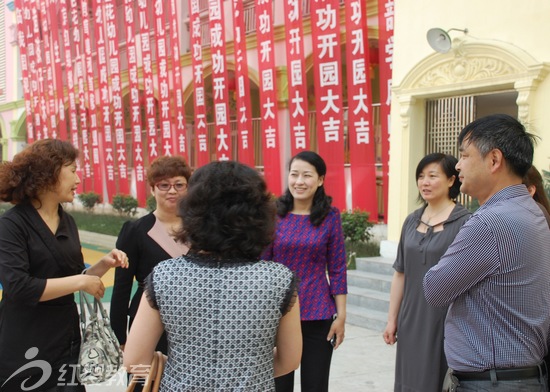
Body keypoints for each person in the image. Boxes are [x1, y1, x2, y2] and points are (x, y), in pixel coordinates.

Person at [123, 161, 302, 391]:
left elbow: (134, 361)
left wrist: (180, 371)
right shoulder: (280, 280)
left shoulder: (164, 276)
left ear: (192, 212)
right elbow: (290, 360)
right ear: (259, 216)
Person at [423, 114, 550, 391]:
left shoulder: (489, 223)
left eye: (464, 155)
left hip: (492, 381)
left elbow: (434, 289)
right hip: (522, 376)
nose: (457, 166)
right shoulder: (533, 211)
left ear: (494, 160)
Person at [0, 139, 128, 391]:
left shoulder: (67, 221)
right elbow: (19, 287)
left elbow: (70, 276)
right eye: (72, 170)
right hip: (25, 340)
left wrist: (101, 266)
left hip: (66, 338)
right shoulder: (12, 224)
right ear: (48, 173)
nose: (78, 179)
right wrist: (82, 281)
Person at [383, 153, 471, 391]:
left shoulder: (466, 222)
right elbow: (400, 272)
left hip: (444, 319)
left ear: (452, 180)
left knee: (435, 379)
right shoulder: (411, 221)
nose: (425, 182)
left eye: (433, 176)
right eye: (421, 176)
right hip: (410, 317)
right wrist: (393, 319)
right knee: (408, 379)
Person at [262, 150, 347, 392]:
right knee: (278, 385)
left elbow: (338, 267)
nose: (299, 181)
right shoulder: (274, 214)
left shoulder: (330, 217)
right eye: (294, 174)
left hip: (318, 313)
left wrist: (341, 316)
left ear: (320, 180)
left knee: (315, 385)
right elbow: (263, 264)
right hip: (276, 312)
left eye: (307, 175)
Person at [110, 155, 191, 357]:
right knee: (144, 384)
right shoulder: (135, 230)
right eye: (164, 185)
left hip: (192, 320)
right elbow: (122, 285)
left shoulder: (200, 229)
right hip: (147, 319)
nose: (172, 191)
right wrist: (119, 336)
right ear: (153, 189)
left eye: (179, 184)